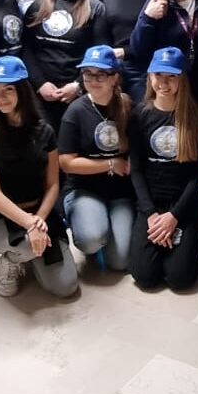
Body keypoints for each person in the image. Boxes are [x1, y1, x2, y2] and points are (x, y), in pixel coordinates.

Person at [0, 56, 78, 299]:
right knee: (28, 246)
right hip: (0, 218)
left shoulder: (45, 130)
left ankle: (29, 250)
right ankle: (12, 259)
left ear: (22, 90)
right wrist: (29, 224)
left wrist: (39, 220)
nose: (1, 97)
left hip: (40, 213)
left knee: (66, 287)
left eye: (9, 89)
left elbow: (53, 184)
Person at [128, 47, 198, 291]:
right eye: (158, 75)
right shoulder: (139, 115)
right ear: (150, 77)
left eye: (171, 76)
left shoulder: (196, 116)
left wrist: (174, 216)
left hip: (184, 206)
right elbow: (136, 170)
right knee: (144, 276)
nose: (163, 83)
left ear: (182, 79)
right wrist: (151, 214)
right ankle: (164, 243)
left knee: (180, 278)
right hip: (152, 206)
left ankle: (184, 246)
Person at [58, 45, 136, 271]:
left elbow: (137, 147)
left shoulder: (127, 105)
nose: (93, 80)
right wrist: (110, 164)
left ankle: (106, 230)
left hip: (120, 193)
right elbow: (67, 163)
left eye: (100, 74)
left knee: (120, 262)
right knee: (92, 239)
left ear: (115, 77)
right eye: (88, 74)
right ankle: (91, 232)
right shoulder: (75, 111)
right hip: (85, 189)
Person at [22, 0, 108, 132]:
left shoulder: (94, 9)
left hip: (78, 95)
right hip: (41, 95)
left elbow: (99, 55)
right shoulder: (37, 7)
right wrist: (40, 84)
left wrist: (78, 85)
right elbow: (26, 49)